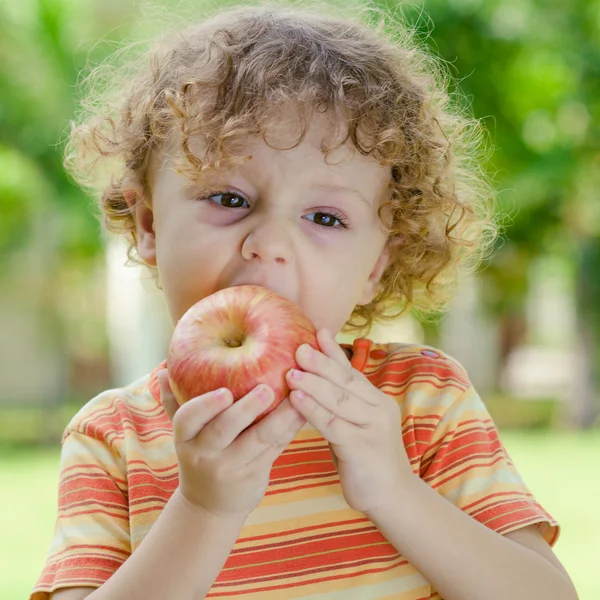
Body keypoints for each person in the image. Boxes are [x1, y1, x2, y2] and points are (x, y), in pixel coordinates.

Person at [32, 3, 578, 599]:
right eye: (229, 198)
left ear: (376, 264)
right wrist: (203, 510)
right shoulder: (115, 439)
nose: (268, 245)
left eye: (324, 216)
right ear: (150, 226)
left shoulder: (422, 406)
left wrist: (395, 489)